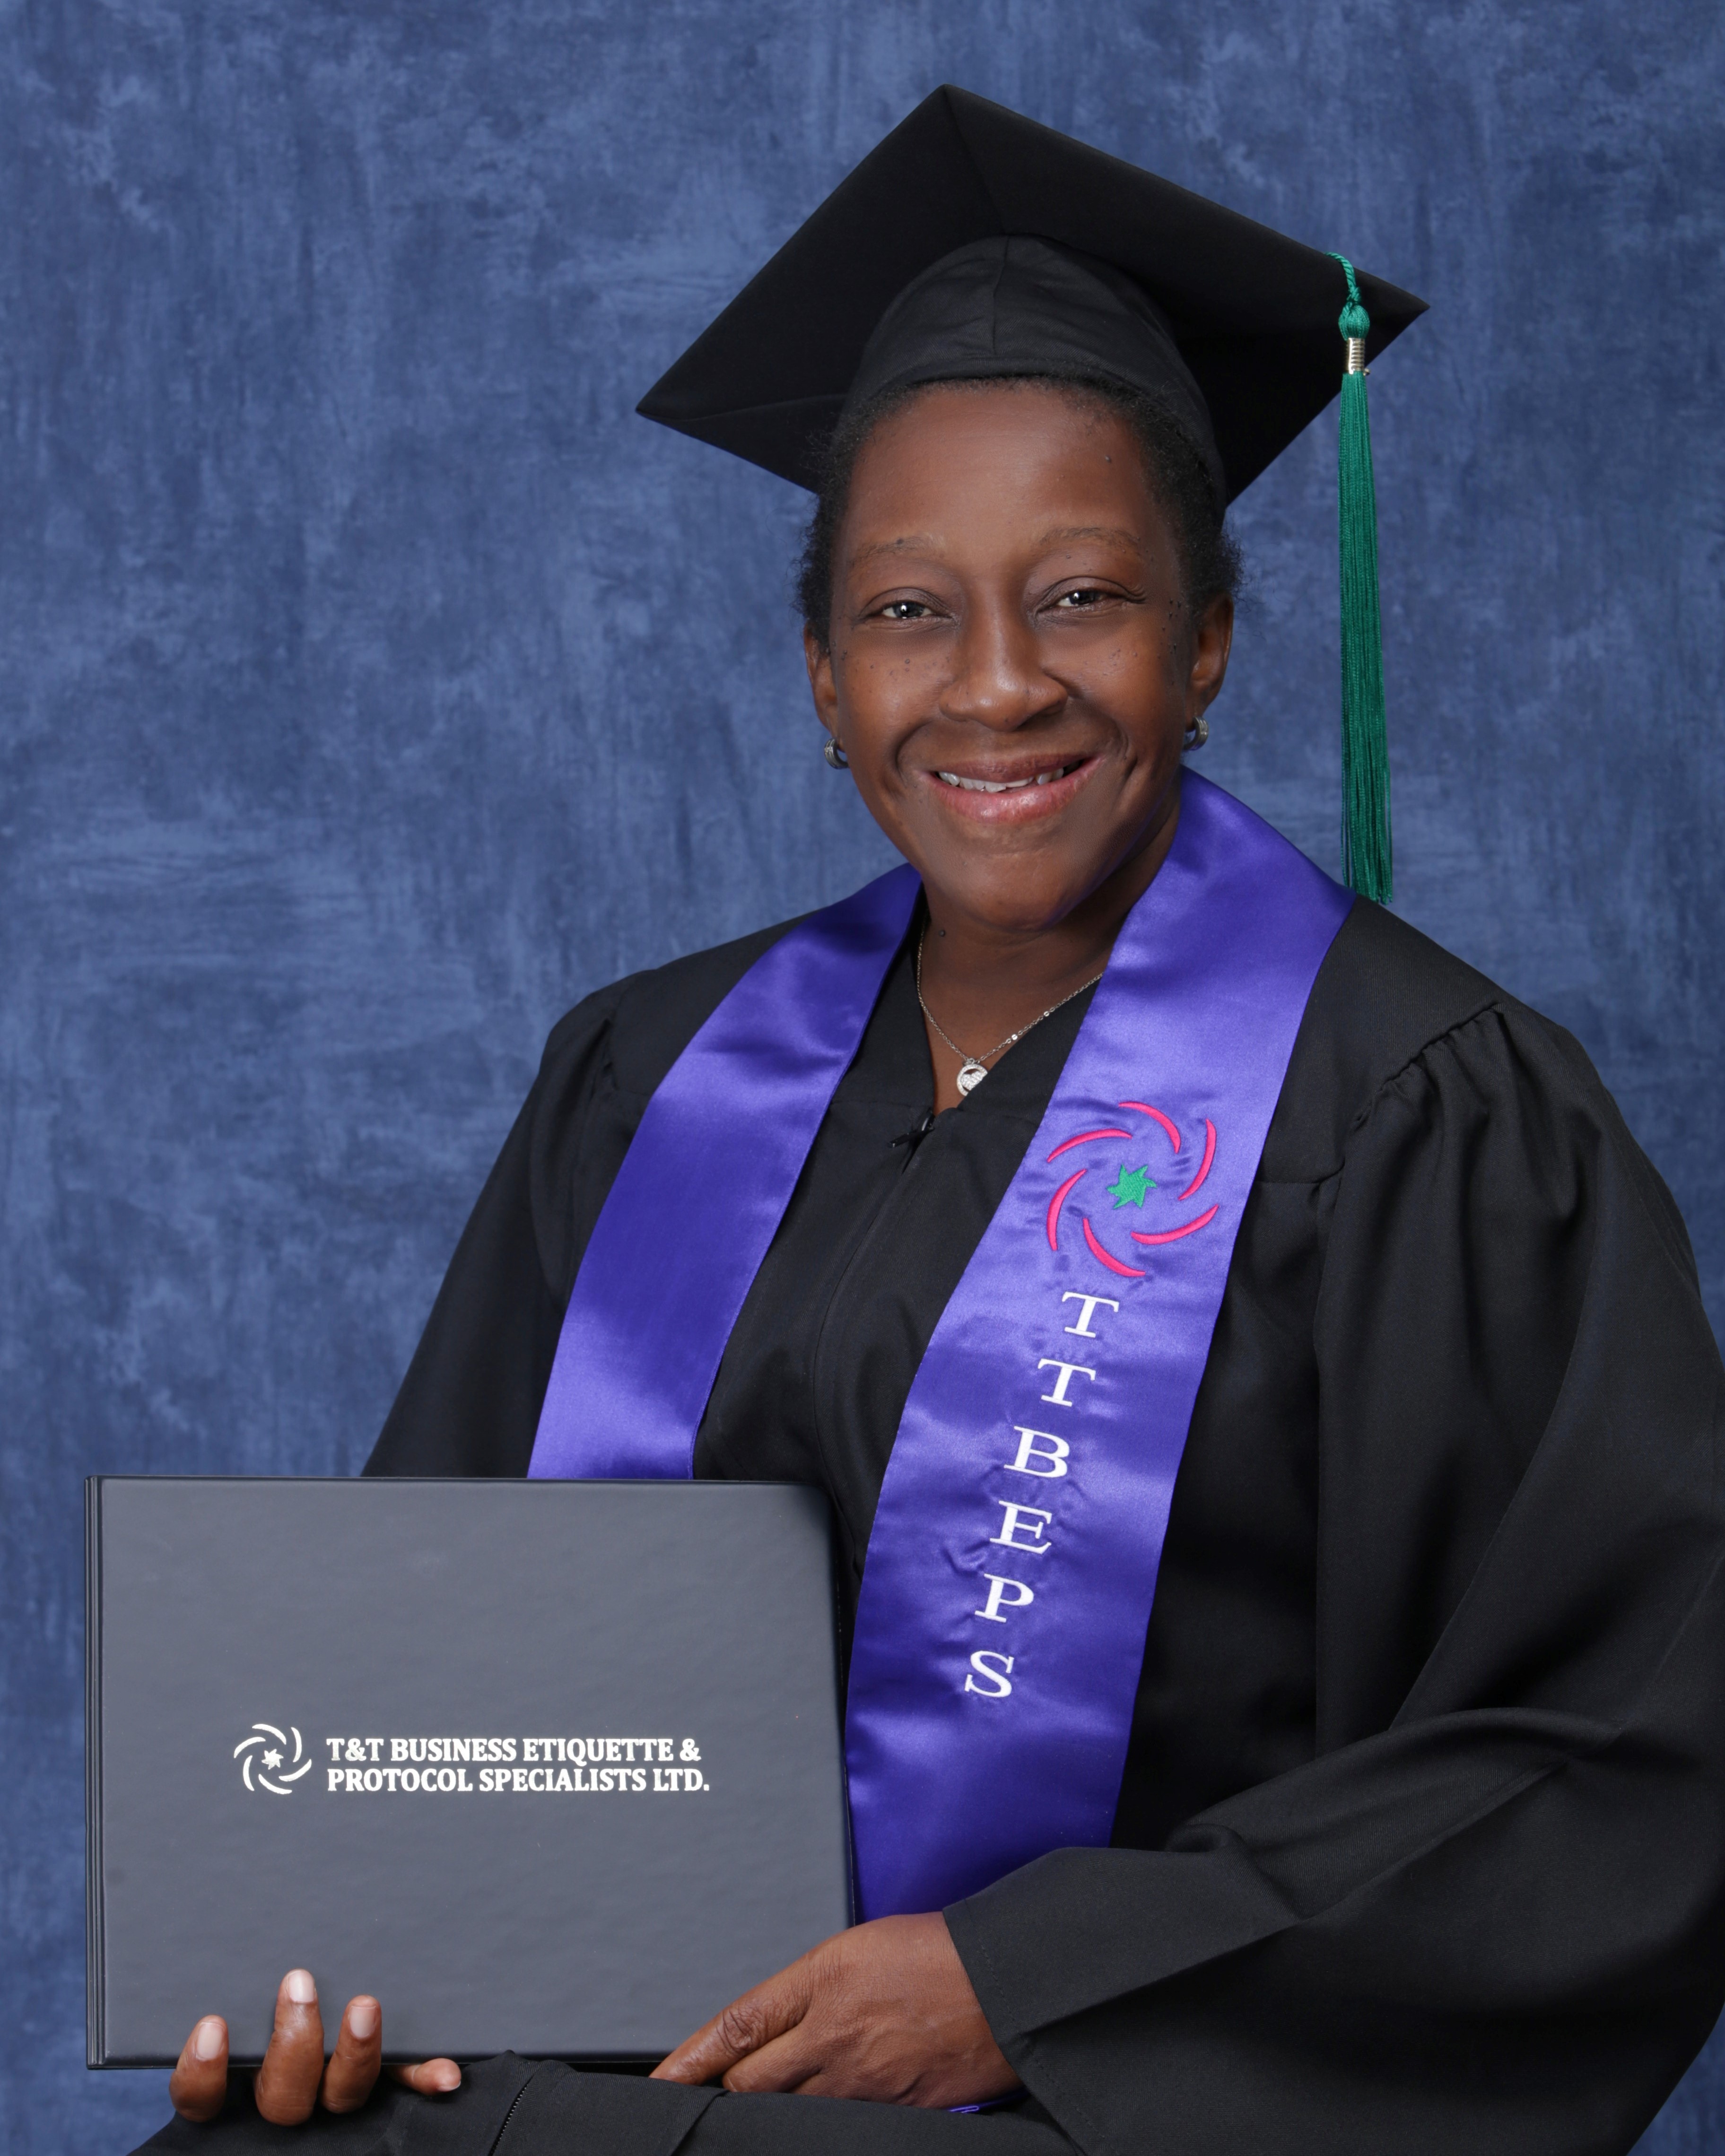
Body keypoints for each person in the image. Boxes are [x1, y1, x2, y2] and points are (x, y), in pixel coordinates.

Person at [142, 87, 1725, 2156]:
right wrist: (312, 1956)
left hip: (1098, 2112)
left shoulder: (1431, 1118)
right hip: (598, 2072)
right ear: (822, 677)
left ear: (1209, 642)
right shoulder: (647, 1073)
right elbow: (419, 1668)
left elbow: (1618, 1748)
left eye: (1083, 597)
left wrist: (1033, 1985)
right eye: (906, 610)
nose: (996, 686)